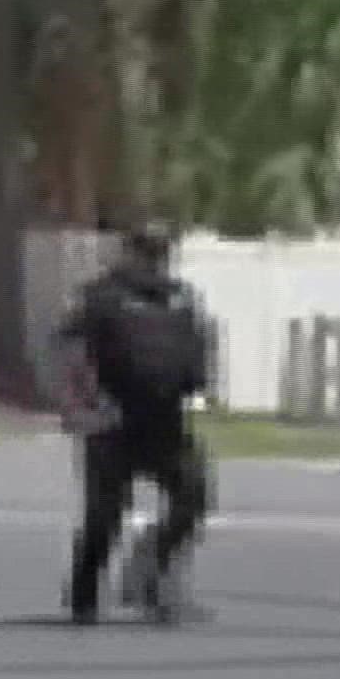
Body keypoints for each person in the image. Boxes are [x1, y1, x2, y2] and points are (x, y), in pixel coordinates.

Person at [56, 224, 214, 626]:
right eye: (146, 250)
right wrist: (82, 405)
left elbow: (199, 346)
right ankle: (84, 597)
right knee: (104, 514)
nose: (155, 259)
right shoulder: (100, 297)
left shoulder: (181, 298)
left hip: (167, 421)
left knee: (193, 496)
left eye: (161, 251)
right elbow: (72, 352)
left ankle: (149, 573)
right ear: (129, 252)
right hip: (113, 419)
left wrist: (198, 382)